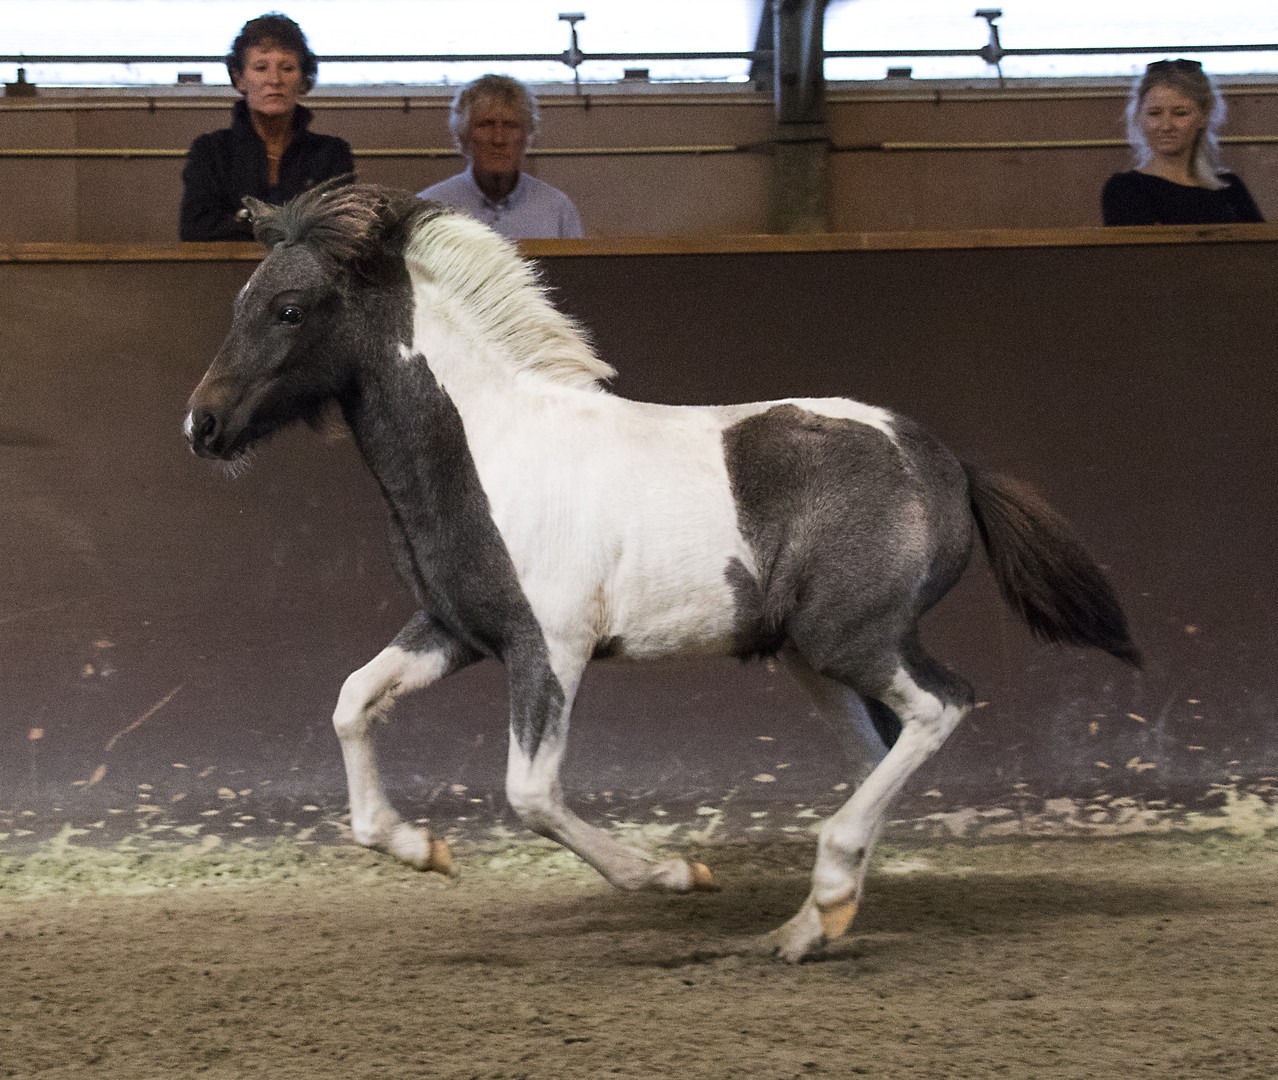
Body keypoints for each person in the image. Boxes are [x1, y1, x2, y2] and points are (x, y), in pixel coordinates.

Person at [179, 14, 354, 241]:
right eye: (261, 68)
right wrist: (292, 227)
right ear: (239, 79)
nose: (274, 79)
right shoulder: (211, 152)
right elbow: (197, 230)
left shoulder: (331, 153)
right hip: (227, 275)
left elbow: (338, 233)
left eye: (287, 68)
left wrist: (243, 219)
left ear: (303, 80)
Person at [417, 75, 584, 240]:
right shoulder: (429, 209)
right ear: (463, 135)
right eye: (486, 125)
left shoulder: (557, 210)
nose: (498, 139)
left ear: (528, 136)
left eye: (511, 126)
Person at [1102, 59, 1264, 226]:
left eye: (1180, 113)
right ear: (1139, 116)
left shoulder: (1230, 187)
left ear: (1203, 116)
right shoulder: (1126, 189)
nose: (1166, 126)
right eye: (1154, 113)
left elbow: (1260, 248)